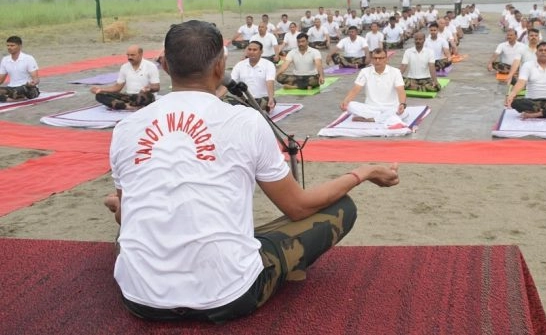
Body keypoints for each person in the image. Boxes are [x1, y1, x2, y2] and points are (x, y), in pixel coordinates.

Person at [104, 20, 399, 324]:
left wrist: (119, 206)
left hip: (141, 299)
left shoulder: (126, 128)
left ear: (164, 65)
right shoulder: (246, 121)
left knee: (132, 227)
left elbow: (126, 217)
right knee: (341, 206)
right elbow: (297, 208)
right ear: (221, 67)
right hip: (231, 295)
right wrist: (363, 172)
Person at [340, 47, 407, 126]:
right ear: (372, 59)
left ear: (386, 59)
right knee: (351, 105)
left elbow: (401, 90)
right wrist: (345, 102)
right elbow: (356, 89)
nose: (377, 61)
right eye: (375, 58)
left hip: (390, 107)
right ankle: (380, 118)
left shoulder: (396, 72)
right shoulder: (365, 71)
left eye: (380, 58)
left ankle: (372, 119)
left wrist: (402, 104)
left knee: (400, 112)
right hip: (370, 107)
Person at [90, 45, 159, 110]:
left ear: (140, 54)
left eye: (132, 55)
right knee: (100, 95)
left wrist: (149, 89)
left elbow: (156, 87)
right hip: (129, 96)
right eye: (128, 55)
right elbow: (117, 88)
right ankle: (127, 106)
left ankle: (125, 105)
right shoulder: (124, 67)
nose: (129, 57)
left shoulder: (151, 66)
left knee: (143, 97)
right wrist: (101, 90)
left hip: (144, 96)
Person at [217, 41, 276, 112]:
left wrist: (271, 98)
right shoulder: (240, 65)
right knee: (222, 100)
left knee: (261, 105)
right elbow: (230, 83)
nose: (251, 52)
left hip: (262, 99)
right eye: (249, 49)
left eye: (255, 50)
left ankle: (245, 110)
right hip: (244, 100)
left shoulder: (269, 65)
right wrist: (216, 97)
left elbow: (270, 82)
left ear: (261, 52)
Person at [0, 36, 40, 102]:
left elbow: (36, 78)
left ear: (20, 46)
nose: (9, 48)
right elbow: (1, 80)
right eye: (8, 45)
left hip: (27, 88)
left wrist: (33, 83)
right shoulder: (5, 60)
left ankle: (9, 98)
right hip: (12, 87)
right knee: (14, 92)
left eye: (12, 45)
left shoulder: (28, 58)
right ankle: (11, 99)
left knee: (20, 90)